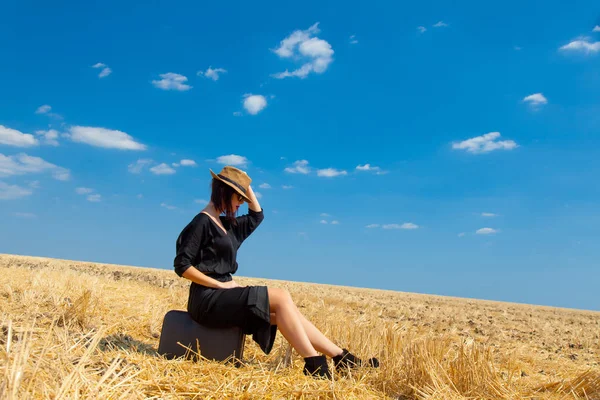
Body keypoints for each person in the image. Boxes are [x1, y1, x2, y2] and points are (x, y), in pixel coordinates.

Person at [173, 165, 379, 379]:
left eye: (243, 198)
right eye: (238, 198)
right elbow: (182, 266)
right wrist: (219, 285)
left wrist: (245, 184)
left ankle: (341, 358)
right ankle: (314, 364)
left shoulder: (229, 225)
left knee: (285, 312)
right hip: (207, 300)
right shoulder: (201, 222)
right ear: (225, 192)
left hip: (225, 294)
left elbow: (256, 216)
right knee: (281, 296)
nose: (241, 203)